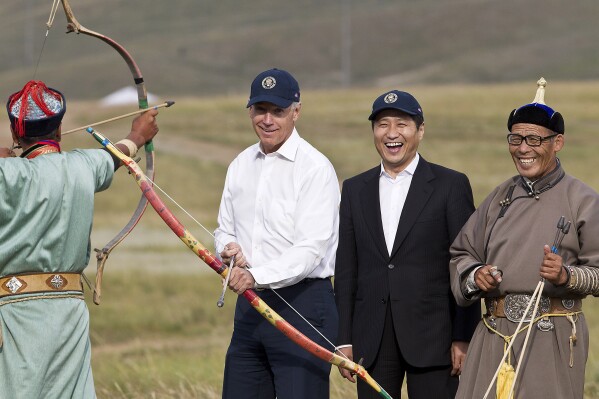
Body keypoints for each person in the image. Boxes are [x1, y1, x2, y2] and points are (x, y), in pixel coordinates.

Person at [0, 80, 159, 399]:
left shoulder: (7, 173)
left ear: (17, 134)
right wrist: (140, 133)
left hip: (14, 313)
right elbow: (120, 152)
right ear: (58, 131)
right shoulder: (82, 166)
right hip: (68, 314)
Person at [450, 78, 599, 398]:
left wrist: (567, 275)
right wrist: (477, 277)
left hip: (553, 337)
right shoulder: (498, 197)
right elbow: (462, 253)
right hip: (493, 334)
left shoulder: (583, 200)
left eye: (534, 139)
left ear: (557, 142)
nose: (522, 148)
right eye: (515, 138)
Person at [334, 89, 480, 399]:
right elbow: (346, 269)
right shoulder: (355, 189)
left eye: (402, 124)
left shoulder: (450, 185)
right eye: (382, 124)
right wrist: (343, 339)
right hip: (371, 340)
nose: (391, 134)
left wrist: (464, 336)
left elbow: (466, 264)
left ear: (420, 130)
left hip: (434, 339)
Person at [214, 68, 340, 399]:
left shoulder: (315, 168)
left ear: (296, 112)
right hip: (250, 307)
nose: (268, 120)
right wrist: (227, 249)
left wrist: (254, 275)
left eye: (278, 111)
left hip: (304, 305)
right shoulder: (240, 164)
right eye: (260, 110)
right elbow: (224, 227)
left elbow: (310, 250)